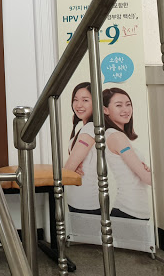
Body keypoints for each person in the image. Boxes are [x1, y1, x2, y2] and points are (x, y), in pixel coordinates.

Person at [103, 87, 151, 220]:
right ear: (105, 110)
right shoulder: (117, 137)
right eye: (119, 105)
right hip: (129, 210)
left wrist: (147, 171)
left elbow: (140, 174)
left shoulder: (116, 135)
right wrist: (150, 174)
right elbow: (146, 178)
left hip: (133, 210)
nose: (126, 110)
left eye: (128, 104)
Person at [63, 82, 100, 214]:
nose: (79, 105)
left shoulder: (90, 129)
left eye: (85, 100)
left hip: (86, 202)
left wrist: (71, 168)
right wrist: (72, 167)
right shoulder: (84, 128)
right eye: (75, 100)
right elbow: (70, 168)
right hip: (78, 199)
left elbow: (68, 170)